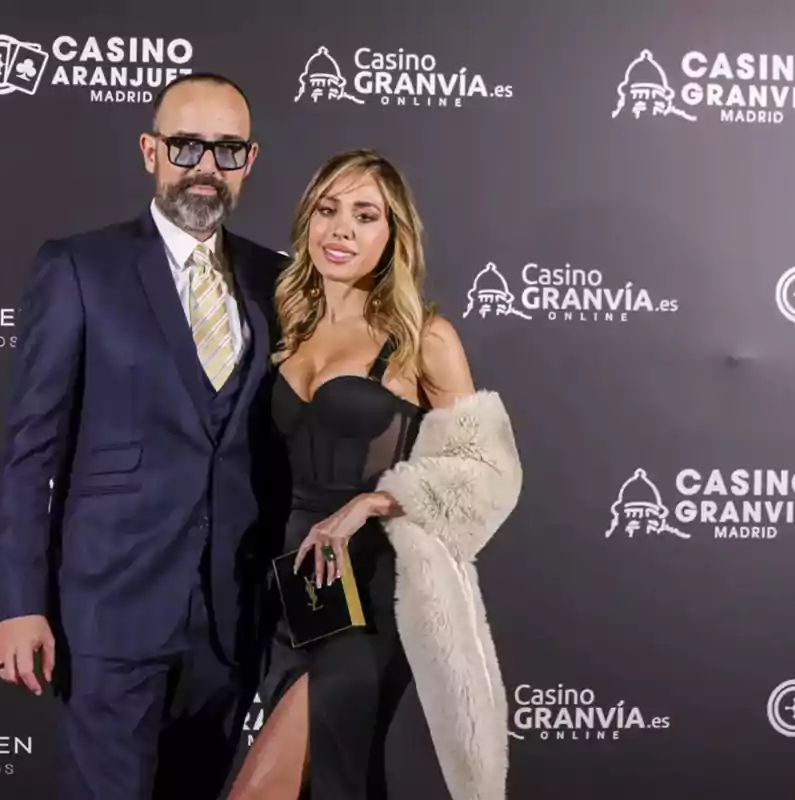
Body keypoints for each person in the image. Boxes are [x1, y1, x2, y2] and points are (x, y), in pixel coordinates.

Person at [0, 73, 289, 800]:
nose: (205, 168)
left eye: (226, 150)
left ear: (249, 162)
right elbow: (30, 449)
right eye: (186, 146)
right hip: (110, 612)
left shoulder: (275, 281)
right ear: (151, 152)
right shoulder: (80, 268)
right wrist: (19, 603)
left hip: (232, 619)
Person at [226, 150, 523, 799]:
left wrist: (371, 505)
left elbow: (485, 469)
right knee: (335, 782)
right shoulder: (287, 325)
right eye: (329, 211)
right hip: (291, 583)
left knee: (280, 783)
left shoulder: (422, 337)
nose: (342, 230)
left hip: (369, 585)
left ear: (393, 236)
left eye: (365, 216)